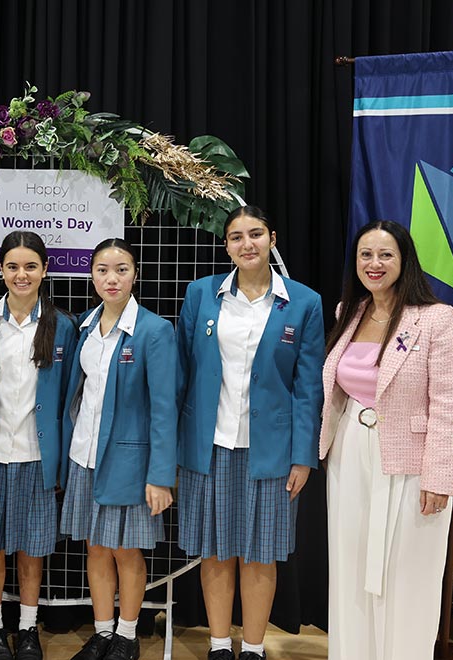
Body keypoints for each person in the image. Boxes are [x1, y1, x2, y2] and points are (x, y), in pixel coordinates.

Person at [175, 206, 325, 660]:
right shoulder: (201, 294)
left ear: (272, 238)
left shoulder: (303, 302)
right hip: (210, 445)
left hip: (272, 451)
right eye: (237, 237)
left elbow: (308, 387)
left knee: (261, 553)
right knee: (216, 550)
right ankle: (220, 646)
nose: (247, 244)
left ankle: (255, 648)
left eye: (255, 234)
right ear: (226, 246)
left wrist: (304, 456)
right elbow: (183, 371)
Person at [320, 220, 453, 660]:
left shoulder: (436, 318)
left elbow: (446, 404)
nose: (374, 264)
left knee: (406, 572)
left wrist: (439, 477)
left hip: (410, 460)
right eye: (365, 255)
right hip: (348, 451)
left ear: (404, 261)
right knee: (351, 566)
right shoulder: (350, 311)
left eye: (385, 255)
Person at [60, 238, 177, 660]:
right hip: (84, 457)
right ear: (91, 275)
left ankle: (127, 635)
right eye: (103, 270)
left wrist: (161, 475)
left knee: (127, 551)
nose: (112, 278)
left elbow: (165, 409)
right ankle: (103, 631)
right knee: (95, 547)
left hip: (129, 461)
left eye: (121, 269)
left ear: (135, 274)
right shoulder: (85, 327)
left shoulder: (155, 330)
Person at [0, 231, 77, 660]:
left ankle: (28, 628)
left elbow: (69, 399)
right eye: (12, 266)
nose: (21, 274)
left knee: (33, 548)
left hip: (38, 456)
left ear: (45, 270)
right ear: (0, 270)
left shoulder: (63, 326)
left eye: (30, 266)